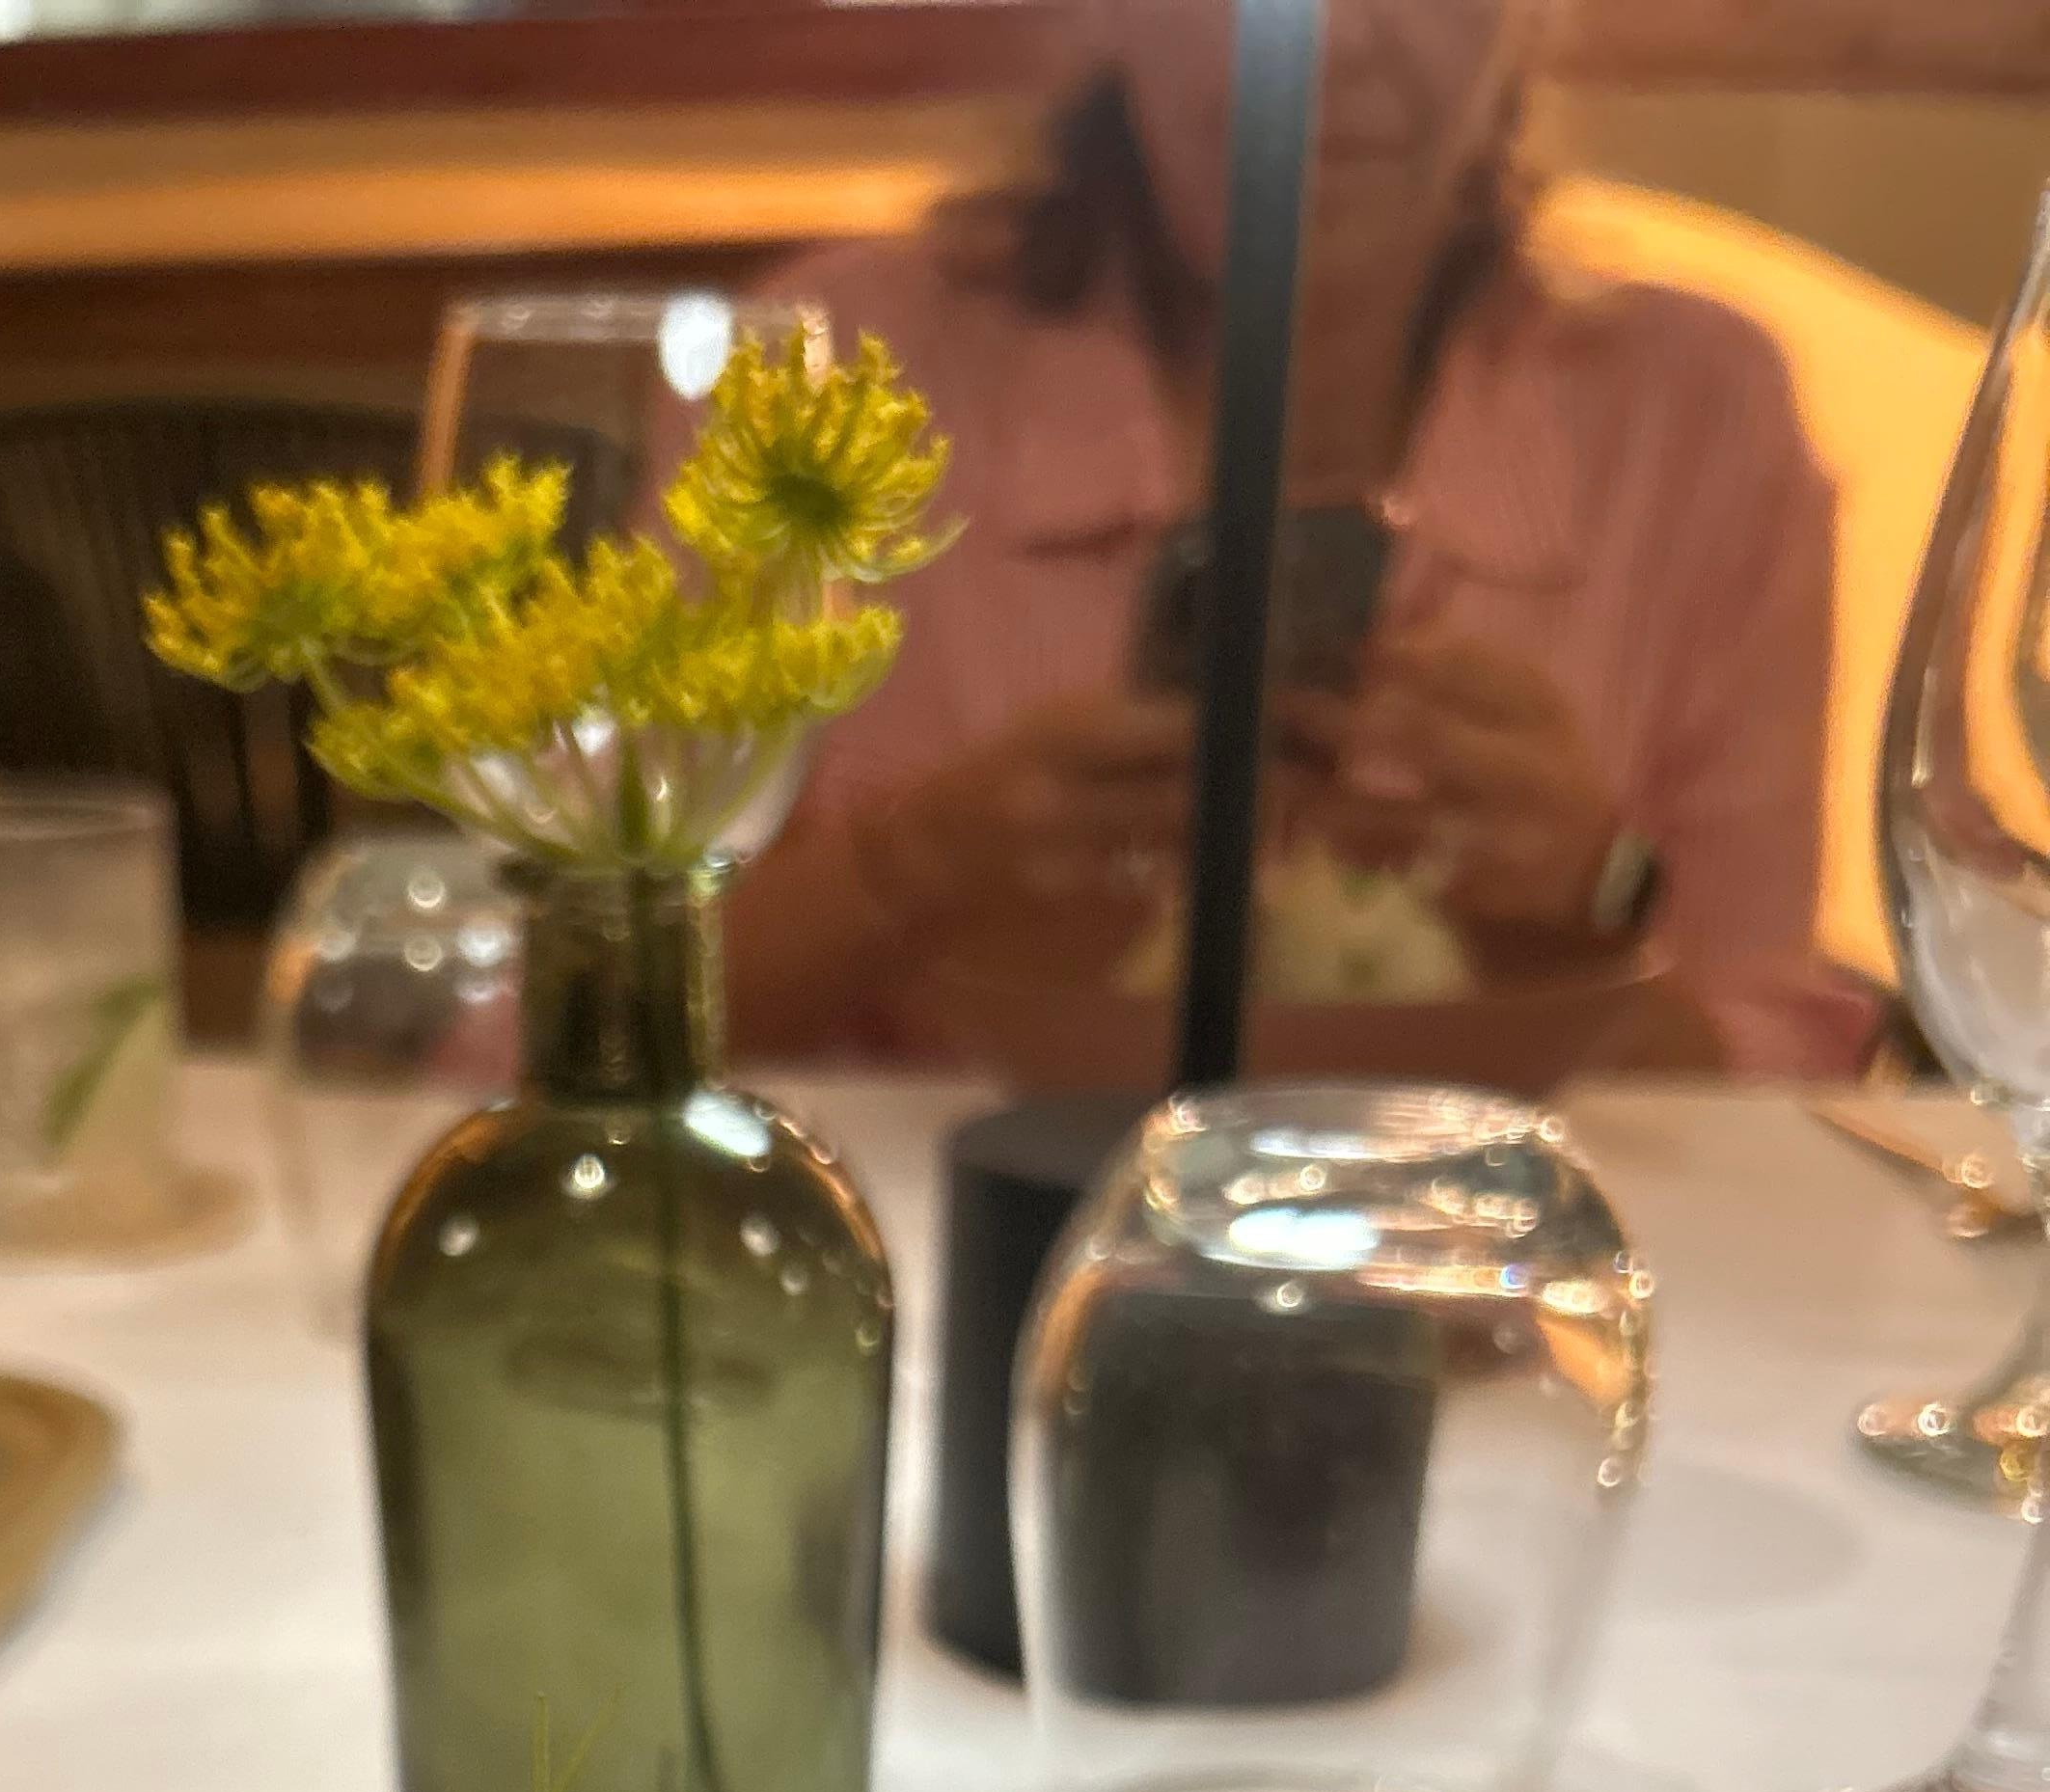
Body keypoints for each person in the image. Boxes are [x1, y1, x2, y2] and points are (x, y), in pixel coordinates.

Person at [726, 0, 1872, 1082]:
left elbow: (1770, 1085)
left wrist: (1595, 892)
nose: (1328, 41)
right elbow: (629, 1013)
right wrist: (912, 868)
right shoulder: (827, 382)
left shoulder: (1692, 420)